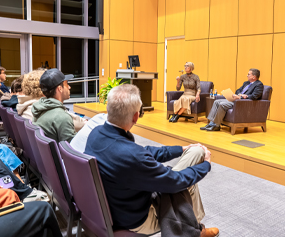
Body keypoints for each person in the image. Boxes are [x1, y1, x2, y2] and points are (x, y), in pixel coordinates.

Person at [84, 84, 219, 237]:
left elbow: (145, 152)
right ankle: (195, 231)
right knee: (188, 184)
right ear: (136, 116)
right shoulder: (131, 155)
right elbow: (175, 181)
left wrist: (181, 149)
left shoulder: (96, 134)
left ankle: (193, 228)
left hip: (114, 206)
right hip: (136, 220)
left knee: (196, 151)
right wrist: (206, 165)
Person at [32, 68, 86, 142]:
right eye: (66, 84)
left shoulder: (39, 109)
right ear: (60, 89)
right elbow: (72, 149)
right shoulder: (62, 117)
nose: (69, 87)